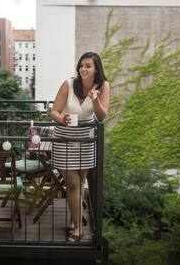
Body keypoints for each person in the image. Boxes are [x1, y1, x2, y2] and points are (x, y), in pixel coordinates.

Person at [50, 52, 110, 241]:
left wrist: (94, 99)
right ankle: (77, 229)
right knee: (73, 184)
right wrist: (62, 118)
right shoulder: (68, 84)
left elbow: (101, 116)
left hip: (86, 140)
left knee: (80, 183)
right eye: (81, 65)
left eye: (88, 66)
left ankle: (73, 218)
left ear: (96, 69)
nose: (83, 69)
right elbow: (53, 112)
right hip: (64, 140)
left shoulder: (103, 86)